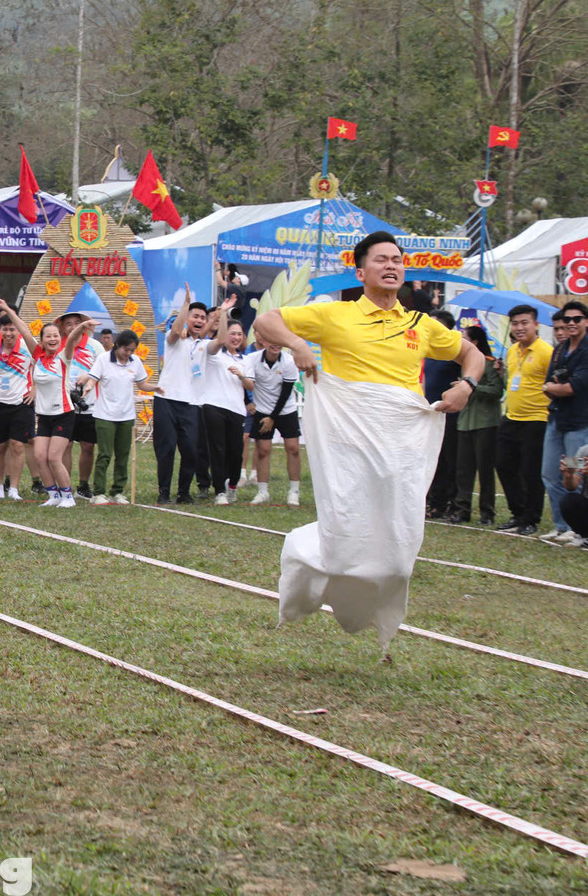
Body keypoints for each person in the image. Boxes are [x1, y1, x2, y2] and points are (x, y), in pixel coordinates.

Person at [253, 230, 484, 649]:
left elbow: (474, 355)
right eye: (381, 259)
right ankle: (304, 559)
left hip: (403, 441)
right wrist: (298, 345)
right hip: (348, 439)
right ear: (361, 271)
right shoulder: (335, 315)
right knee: (345, 535)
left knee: (399, 550)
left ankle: (367, 597)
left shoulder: (420, 324)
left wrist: (465, 386)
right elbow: (266, 320)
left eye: (397, 259)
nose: (392, 265)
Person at [0, 294, 95, 508]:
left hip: (63, 413)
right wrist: (8, 310)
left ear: (60, 337)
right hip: (44, 415)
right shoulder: (37, 355)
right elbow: (23, 330)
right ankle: (53, 495)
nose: (52, 339)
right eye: (48, 336)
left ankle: (68, 497)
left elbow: (74, 335)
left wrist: (82, 325)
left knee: (54, 457)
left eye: (56, 335)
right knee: (40, 457)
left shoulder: (64, 357)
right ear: (42, 340)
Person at [85, 329, 162, 504]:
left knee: (123, 454)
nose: (128, 354)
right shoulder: (104, 359)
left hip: (126, 416)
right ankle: (98, 492)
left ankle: (117, 491)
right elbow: (93, 378)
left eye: (132, 350)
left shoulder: (135, 362)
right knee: (105, 454)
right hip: (104, 414)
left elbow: (142, 383)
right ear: (117, 345)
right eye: (126, 349)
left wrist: (156, 388)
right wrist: (89, 386)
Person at [497, 304, 553, 534]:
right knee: (503, 465)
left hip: (537, 418)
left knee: (531, 471)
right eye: (516, 323)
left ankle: (530, 519)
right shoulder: (512, 351)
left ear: (535, 325)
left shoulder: (546, 352)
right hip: (511, 417)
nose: (519, 328)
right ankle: (517, 513)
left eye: (524, 323)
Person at [152, 289, 209, 504]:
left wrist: (221, 313)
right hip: (167, 399)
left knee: (191, 450)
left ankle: (184, 492)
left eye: (202, 318)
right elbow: (176, 330)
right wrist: (186, 304)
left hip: (192, 403)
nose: (199, 320)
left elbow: (220, 339)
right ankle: (163, 493)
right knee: (166, 449)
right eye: (195, 316)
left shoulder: (204, 345)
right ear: (186, 318)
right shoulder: (173, 339)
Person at [540, 300, 588, 543]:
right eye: (566, 320)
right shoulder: (560, 349)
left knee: (575, 476)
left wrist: (554, 387)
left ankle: (580, 530)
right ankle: (561, 525)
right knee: (549, 473)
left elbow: (574, 387)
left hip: (578, 424)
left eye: (576, 319)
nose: (570, 324)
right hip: (556, 419)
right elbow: (549, 384)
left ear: (586, 321)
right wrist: (555, 387)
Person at [446, 325, 503, 524]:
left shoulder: (489, 364)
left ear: (475, 342)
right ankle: (462, 510)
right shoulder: (462, 364)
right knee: (463, 469)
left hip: (485, 422)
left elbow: (497, 391)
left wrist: (470, 387)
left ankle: (487, 513)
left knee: (485, 469)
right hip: (465, 422)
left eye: (464, 338)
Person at [0, 314, 37, 500]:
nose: (9, 333)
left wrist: (35, 388)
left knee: (18, 446)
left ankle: (14, 489)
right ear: (0, 330)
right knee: (0, 447)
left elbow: (44, 365)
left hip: (22, 403)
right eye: (5, 329)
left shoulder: (28, 346)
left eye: (12, 329)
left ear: (18, 330)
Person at [243, 328, 303, 506]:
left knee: (293, 448)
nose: (276, 344)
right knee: (263, 450)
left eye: (279, 341)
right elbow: (243, 383)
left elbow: (286, 392)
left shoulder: (290, 361)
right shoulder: (252, 359)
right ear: (264, 341)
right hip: (262, 410)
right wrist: (248, 402)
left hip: (286, 410)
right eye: (272, 340)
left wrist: (273, 417)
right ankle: (263, 492)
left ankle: (294, 492)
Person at [201, 312, 253, 504]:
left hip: (237, 410)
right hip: (213, 406)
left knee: (235, 452)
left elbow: (251, 386)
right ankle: (219, 491)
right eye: (232, 333)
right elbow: (218, 340)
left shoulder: (246, 361)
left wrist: (241, 375)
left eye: (239, 334)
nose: (236, 338)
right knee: (217, 449)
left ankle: (232, 485)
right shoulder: (214, 354)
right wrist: (223, 315)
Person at [58, 310, 107, 497]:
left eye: (76, 323)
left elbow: (105, 369)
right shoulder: (60, 345)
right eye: (68, 324)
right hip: (64, 404)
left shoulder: (95, 347)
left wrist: (90, 376)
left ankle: (84, 485)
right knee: (65, 445)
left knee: (88, 445)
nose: (72, 327)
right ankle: (65, 486)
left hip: (90, 403)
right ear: (62, 327)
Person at [422, 310, 461, 519]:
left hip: (450, 414)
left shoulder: (453, 352)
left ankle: (447, 503)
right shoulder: (427, 351)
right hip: (429, 412)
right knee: (431, 458)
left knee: (449, 460)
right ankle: (432, 501)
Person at [555, 444, 588, 545]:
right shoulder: (584, 451)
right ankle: (584, 536)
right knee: (569, 501)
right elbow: (571, 487)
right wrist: (568, 476)